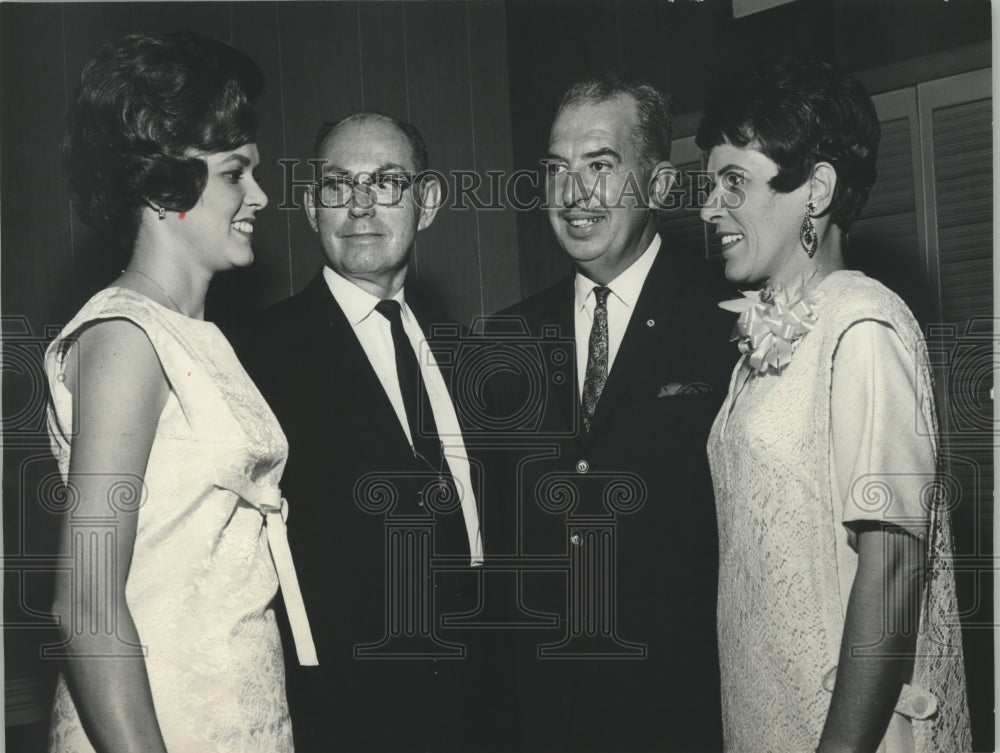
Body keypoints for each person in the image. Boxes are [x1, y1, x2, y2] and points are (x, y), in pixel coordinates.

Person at [45, 31, 315, 753]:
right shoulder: (126, 340)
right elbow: (86, 603)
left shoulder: (199, 335)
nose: (259, 195)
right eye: (236, 174)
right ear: (167, 186)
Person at [697, 56, 972, 753]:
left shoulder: (865, 324)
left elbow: (892, 569)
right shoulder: (765, 337)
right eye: (710, 185)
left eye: (735, 182)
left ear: (815, 189)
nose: (708, 209)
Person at [491, 73, 733, 752]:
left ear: (657, 186)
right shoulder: (507, 339)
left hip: (683, 709)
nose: (573, 194)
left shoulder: (726, 322)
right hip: (546, 715)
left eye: (600, 166)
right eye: (558, 170)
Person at [234, 113, 484, 753]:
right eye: (337, 185)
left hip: (484, 701)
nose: (360, 205)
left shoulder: (470, 355)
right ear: (313, 206)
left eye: (387, 183)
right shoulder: (255, 356)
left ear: (426, 203)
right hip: (347, 717)